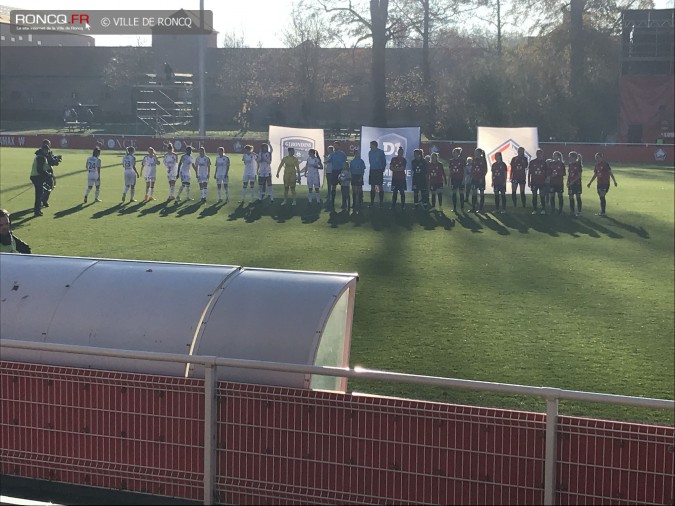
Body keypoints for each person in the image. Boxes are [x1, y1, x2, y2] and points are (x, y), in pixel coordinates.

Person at [587, 152, 618, 216]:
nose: (596, 159)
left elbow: (610, 173)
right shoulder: (596, 165)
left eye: (598, 157)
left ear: (601, 158)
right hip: (599, 183)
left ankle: (603, 212)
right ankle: (602, 212)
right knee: (601, 197)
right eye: (596, 157)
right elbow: (595, 175)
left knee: (602, 195)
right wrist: (590, 183)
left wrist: (614, 181)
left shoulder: (605, 164)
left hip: (605, 183)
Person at [30, 144, 50, 216]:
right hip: (37, 177)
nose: (47, 151)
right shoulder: (41, 157)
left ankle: (37, 210)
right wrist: (46, 174)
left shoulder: (40, 156)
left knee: (39, 194)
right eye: (46, 150)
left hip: (36, 177)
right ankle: (37, 211)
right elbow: (40, 170)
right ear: (43, 150)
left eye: (48, 150)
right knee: (39, 195)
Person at [327, 142, 347, 211]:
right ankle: (332, 202)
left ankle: (344, 203)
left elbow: (345, 162)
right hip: (334, 171)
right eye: (334, 146)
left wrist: (345, 172)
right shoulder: (332, 154)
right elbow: (328, 161)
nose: (335, 147)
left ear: (339, 146)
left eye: (336, 146)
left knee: (343, 187)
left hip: (341, 171)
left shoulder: (342, 154)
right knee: (333, 186)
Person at [527, 149, 548, 215]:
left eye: (540, 153)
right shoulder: (532, 162)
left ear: (542, 154)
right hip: (534, 181)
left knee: (542, 195)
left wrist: (546, 180)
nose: (539, 155)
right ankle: (534, 209)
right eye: (538, 153)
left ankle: (543, 209)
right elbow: (529, 173)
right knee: (534, 196)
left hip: (542, 182)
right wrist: (529, 181)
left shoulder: (544, 163)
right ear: (536, 154)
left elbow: (547, 173)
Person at [368, 140, 387, 208]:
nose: (369, 146)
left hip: (379, 170)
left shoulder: (381, 152)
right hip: (372, 170)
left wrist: (382, 169)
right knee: (372, 186)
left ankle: (381, 203)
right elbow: (370, 161)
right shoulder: (370, 152)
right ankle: (372, 203)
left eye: (370, 145)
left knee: (380, 186)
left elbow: (384, 162)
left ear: (374, 145)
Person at [469, 148, 487, 213]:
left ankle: (481, 208)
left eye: (476, 152)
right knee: (474, 193)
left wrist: (482, 178)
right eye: (475, 152)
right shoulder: (473, 160)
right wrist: (471, 176)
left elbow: (485, 170)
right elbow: (472, 169)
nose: (475, 153)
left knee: (481, 193)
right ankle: (473, 207)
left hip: (481, 179)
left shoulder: (483, 160)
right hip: (474, 179)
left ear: (480, 153)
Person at [447, 147, 465, 212]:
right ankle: (454, 207)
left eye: (454, 152)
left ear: (458, 153)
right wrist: (448, 180)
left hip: (460, 179)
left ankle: (462, 208)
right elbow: (450, 171)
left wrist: (463, 179)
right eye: (453, 152)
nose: (453, 154)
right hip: (453, 179)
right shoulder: (451, 161)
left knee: (461, 193)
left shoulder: (462, 160)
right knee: (454, 193)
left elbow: (464, 170)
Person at [349, 149, 366, 213]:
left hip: (359, 175)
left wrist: (361, 177)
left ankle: (360, 203)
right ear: (354, 154)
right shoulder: (352, 161)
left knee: (359, 190)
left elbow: (363, 170)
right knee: (354, 190)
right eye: (356, 153)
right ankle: (354, 203)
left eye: (358, 153)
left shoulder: (361, 161)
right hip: (354, 176)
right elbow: (350, 169)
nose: (357, 154)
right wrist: (351, 176)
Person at [567, 151, 583, 216]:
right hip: (570, 183)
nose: (569, 158)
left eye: (570, 156)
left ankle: (579, 211)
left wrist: (572, 182)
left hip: (577, 183)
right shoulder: (570, 164)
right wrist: (568, 181)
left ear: (573, 157)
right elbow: (569, 174)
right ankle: (572, 211)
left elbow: (579, 175)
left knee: (578, 196)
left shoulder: (578, 165)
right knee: (571, 197)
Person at [323, 145, 334, 210]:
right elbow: (328, 160)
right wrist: (326, 157)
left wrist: (326, 160)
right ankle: (329, 193)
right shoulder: (330, 155)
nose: (327, 150)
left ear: (331, 149)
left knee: (330, 183)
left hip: (330, 171)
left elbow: (329, 161)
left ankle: (330, 194)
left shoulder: (332, 154)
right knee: (328, 183)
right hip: (328, 170)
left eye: (328, 149)